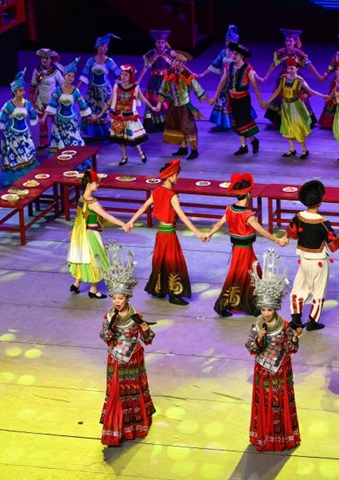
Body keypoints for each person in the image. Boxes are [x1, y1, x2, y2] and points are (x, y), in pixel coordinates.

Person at [96, 240, 156, 446]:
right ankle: (114, 430)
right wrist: (109, 331)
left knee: (132, 390)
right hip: (115, 359)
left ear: (127, 297)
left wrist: (147, 330)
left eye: (120, 298)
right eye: (114, 298)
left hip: (133, 359)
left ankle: (133, 428)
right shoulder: (109, 315)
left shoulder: (136, 315)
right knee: (115, 392)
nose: (116, 301)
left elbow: (147, 339)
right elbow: (104, 336)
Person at [126, 159, 207, 305]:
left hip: (160, 233)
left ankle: (160, 289)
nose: (178, 177)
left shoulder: (157, 191)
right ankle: (174, 294)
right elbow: (182, 216)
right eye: (176, 175)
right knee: (173, 262)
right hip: (168, 234)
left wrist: (131, 221)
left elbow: (144, 207)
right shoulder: (172, 196)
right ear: (170, 176)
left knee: (161, 261)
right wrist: (197, 232)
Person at [206, 173, 288, 317]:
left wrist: (209, 234)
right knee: (249, 276)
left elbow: (219, 224)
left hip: (237, 249)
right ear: (248, 194)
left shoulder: (230, 209)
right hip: (245, 251)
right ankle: (247, 305)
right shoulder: (247, 214)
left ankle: (240, 304)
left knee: (243, 276)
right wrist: (278, 241)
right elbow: (261, 231)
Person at [245, 248, 302, 452]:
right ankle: (264, 437)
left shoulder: (284, 325)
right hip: (262, 371)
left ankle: (283, 438)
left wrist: (294, 337)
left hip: (281, 371)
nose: (266, 313)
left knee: (281, 404)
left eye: (269, 310)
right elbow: (251, 348)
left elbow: (290, 349)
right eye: (263, 309)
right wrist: (259, 339)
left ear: (275, 308)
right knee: (265, 405)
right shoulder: (257, 324)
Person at [285, 180, 339, 331]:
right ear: (319, 203)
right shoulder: (323, 222)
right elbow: (334, 242)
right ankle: (313, 322)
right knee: (319, 291)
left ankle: (296, 319)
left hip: (304, 260)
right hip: (319, 261)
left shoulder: (298, 216)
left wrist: (285, 238)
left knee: (298, 288)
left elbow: (291, 232)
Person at [68, 169, 128, 299]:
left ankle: (76, 284)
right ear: (89, 184)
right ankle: (93, 290)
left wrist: (74, 231)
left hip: (82, 234)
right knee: (98, 261)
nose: (98, 185)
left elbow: (79, 217)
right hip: (92, 235)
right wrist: (123, 224)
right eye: (96, 183)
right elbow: (107, 216)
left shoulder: (81, 198)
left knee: (84, 259)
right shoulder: (92, 202)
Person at [262, 57, 328, 159]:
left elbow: (310, 90)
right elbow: (277, 92)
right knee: (287, 126)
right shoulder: (283, 78)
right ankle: (291, 149)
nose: (290, 70)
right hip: (286, 106)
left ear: (297, 69)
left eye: (292, 68)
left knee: (297, 126)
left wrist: (323, 96)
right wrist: (267, 101)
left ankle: (304, 150)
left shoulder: (299, 80)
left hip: (295, 106)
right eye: (288, 68)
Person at [95, 64, 159, 166]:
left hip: (130, 117)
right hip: (119, 117)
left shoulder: (135, 88)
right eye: (122, 74)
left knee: (132, 138)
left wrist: (152, 107)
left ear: (130, 76)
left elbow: (144, 99)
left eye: (125, 75)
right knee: (121, 139)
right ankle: (124, 157)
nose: (123, 76)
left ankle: (140, 153)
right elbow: (110, 102)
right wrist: (100, 114)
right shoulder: (117, 87)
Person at [209, 43, 265, 156]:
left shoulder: (248, 69)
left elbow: (255, 86)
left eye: (237, 54)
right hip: (232, 99)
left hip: (243, 100)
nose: (233, 56)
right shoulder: (229, 66)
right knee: (236, 122)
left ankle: (254, 140)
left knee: (242, 123)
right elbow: (223, 81)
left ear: (242, 56)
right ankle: (244, 146)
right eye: (233, 53)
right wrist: (215, 96)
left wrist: (260, 101)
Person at [261, 28, 322, 129]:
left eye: (290, 41)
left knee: (299, 97)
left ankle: (301, 119)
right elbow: (274, 64)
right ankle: (281, 120)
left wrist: (318, 75)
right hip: (283, 78)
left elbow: (309, 65)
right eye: (286, 40)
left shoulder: (299, 54)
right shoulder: (281, 52)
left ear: (294, 42)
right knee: (280, 97)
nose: (288, 42)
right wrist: (267, 75)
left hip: (296, 78)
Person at [0, 69, 40, 187]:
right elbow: (1, 120)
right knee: (13, 158)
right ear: (14, 91)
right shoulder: (8, 105)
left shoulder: (27, 103)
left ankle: (28, 177)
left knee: (27, 156)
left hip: (24, 135)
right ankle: (14, 179)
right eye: (20, 90)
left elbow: (33, 115)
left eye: (24, 90)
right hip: (11, 136)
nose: (23, 92)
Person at [159, 51, 208, 160]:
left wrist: (207, 99)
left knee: (187, 127)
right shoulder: (170, 73)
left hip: (184, 106)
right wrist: (160, 100)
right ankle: (183, 148)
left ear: (182, 63)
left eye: (179, 61)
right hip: (173, 105)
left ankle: (194, 150)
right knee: (177, 126)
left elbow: (197, 87)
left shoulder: (187, 75)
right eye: (175, 60)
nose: (176, 63)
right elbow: (164, 87)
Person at [40, 58, 93, 155]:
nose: (71, 78)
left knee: (76, 141)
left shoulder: (75, 91)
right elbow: (51, 105)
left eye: (73, 77)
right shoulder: (57, 90)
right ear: (64, 76)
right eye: (69, 76)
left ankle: (78, 162)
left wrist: (89, 116)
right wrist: (44, 118)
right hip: (59, 122)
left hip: (72, 121)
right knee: (57, 144)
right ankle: (56, 163)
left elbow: (82, 105)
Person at [78, 33, 122, 139]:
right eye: (103, 46)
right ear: (98, 46)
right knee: (92, 110)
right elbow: (84, 75)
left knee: (105, 110)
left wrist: (123, 88)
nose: (105, 49)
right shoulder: (91, 61)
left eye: (106, 47)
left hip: (105, 91)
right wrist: (76, 88)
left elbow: (119, 75)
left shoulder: (109, 61)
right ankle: (96, 133)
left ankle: (108, 132)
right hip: (92, 91)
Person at [198, 25, 240, 130]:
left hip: (234, 81)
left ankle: (236, 121)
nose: (228, 43)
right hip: (223, 80)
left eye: (231, 41)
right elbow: (215, 64)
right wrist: (203, 73)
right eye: (227, 41)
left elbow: (244, 67)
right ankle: (225, 122)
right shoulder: (222, 53)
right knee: (223, 100)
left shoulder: (238, 53)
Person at [138, 30, 175, 133]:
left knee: (165, 101)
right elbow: (145, 67)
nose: (160, 44)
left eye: (162, 42)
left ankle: (164, 124)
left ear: (165, 43)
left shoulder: (169, 53)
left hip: (165, 80)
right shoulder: (151, 53)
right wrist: (139, 80)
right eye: (158, 42)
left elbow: (175, 66)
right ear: (155, 43)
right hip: (153, 81)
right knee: (151, 101)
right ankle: (150, 124)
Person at [29, 48, 64, 149]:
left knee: (55, 122)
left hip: (52, 101)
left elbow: (62, 84)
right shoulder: (37, 71)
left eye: (46, 58)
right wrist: (31, 99)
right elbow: (33, 85)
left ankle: (58, 141)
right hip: (40, 100)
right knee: (42, 123)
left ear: (51, 59)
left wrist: (60, 97)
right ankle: (44, 142)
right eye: (43, 57)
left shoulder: (56, 72)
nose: (44, 60)